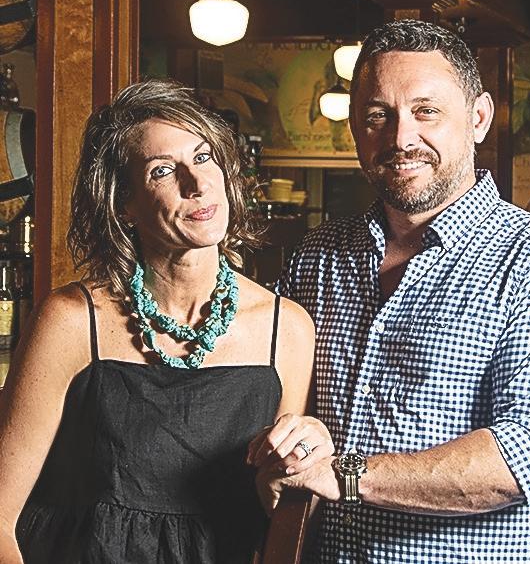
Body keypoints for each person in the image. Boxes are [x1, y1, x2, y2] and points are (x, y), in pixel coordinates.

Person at [254, 20, 530, 563]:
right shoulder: (316, 256)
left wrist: (344, 474)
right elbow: (263, 394)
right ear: (355, 127)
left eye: (426, 111)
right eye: (378, 115)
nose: (400, 138)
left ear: (479, 118)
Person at [0, 78, 332, 563]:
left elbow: (278, 506)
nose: (197, 184)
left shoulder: (286, 329)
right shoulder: (70, 321)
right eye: (162, 170)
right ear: (124, 203)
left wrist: (303, 459)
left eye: (204, 157)